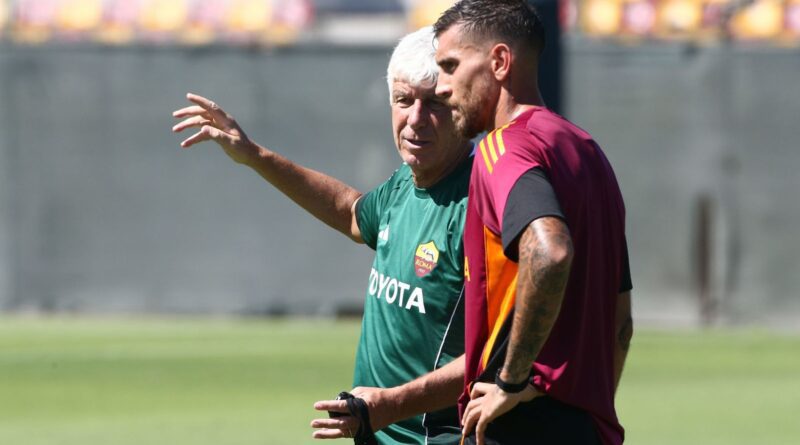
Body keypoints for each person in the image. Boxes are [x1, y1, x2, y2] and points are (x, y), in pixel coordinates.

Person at [172, 27, 473, 445]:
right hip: (374, 432)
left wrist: (392, 404)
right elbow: (351, 213)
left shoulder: (480, 202)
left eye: (435, 103)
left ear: (462, 106)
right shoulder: (408, 181)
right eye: (404, 100)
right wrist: (254, 156)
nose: (416, 119)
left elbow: (499, 355)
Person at [429, 1, 634, 444]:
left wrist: (511, 380)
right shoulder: (588, 153)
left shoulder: (503, 148)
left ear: (500, 62)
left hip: (518, 424)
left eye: (450, 66)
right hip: (588, 429)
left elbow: (550, 250)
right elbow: (621, 323)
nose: (441, 87)